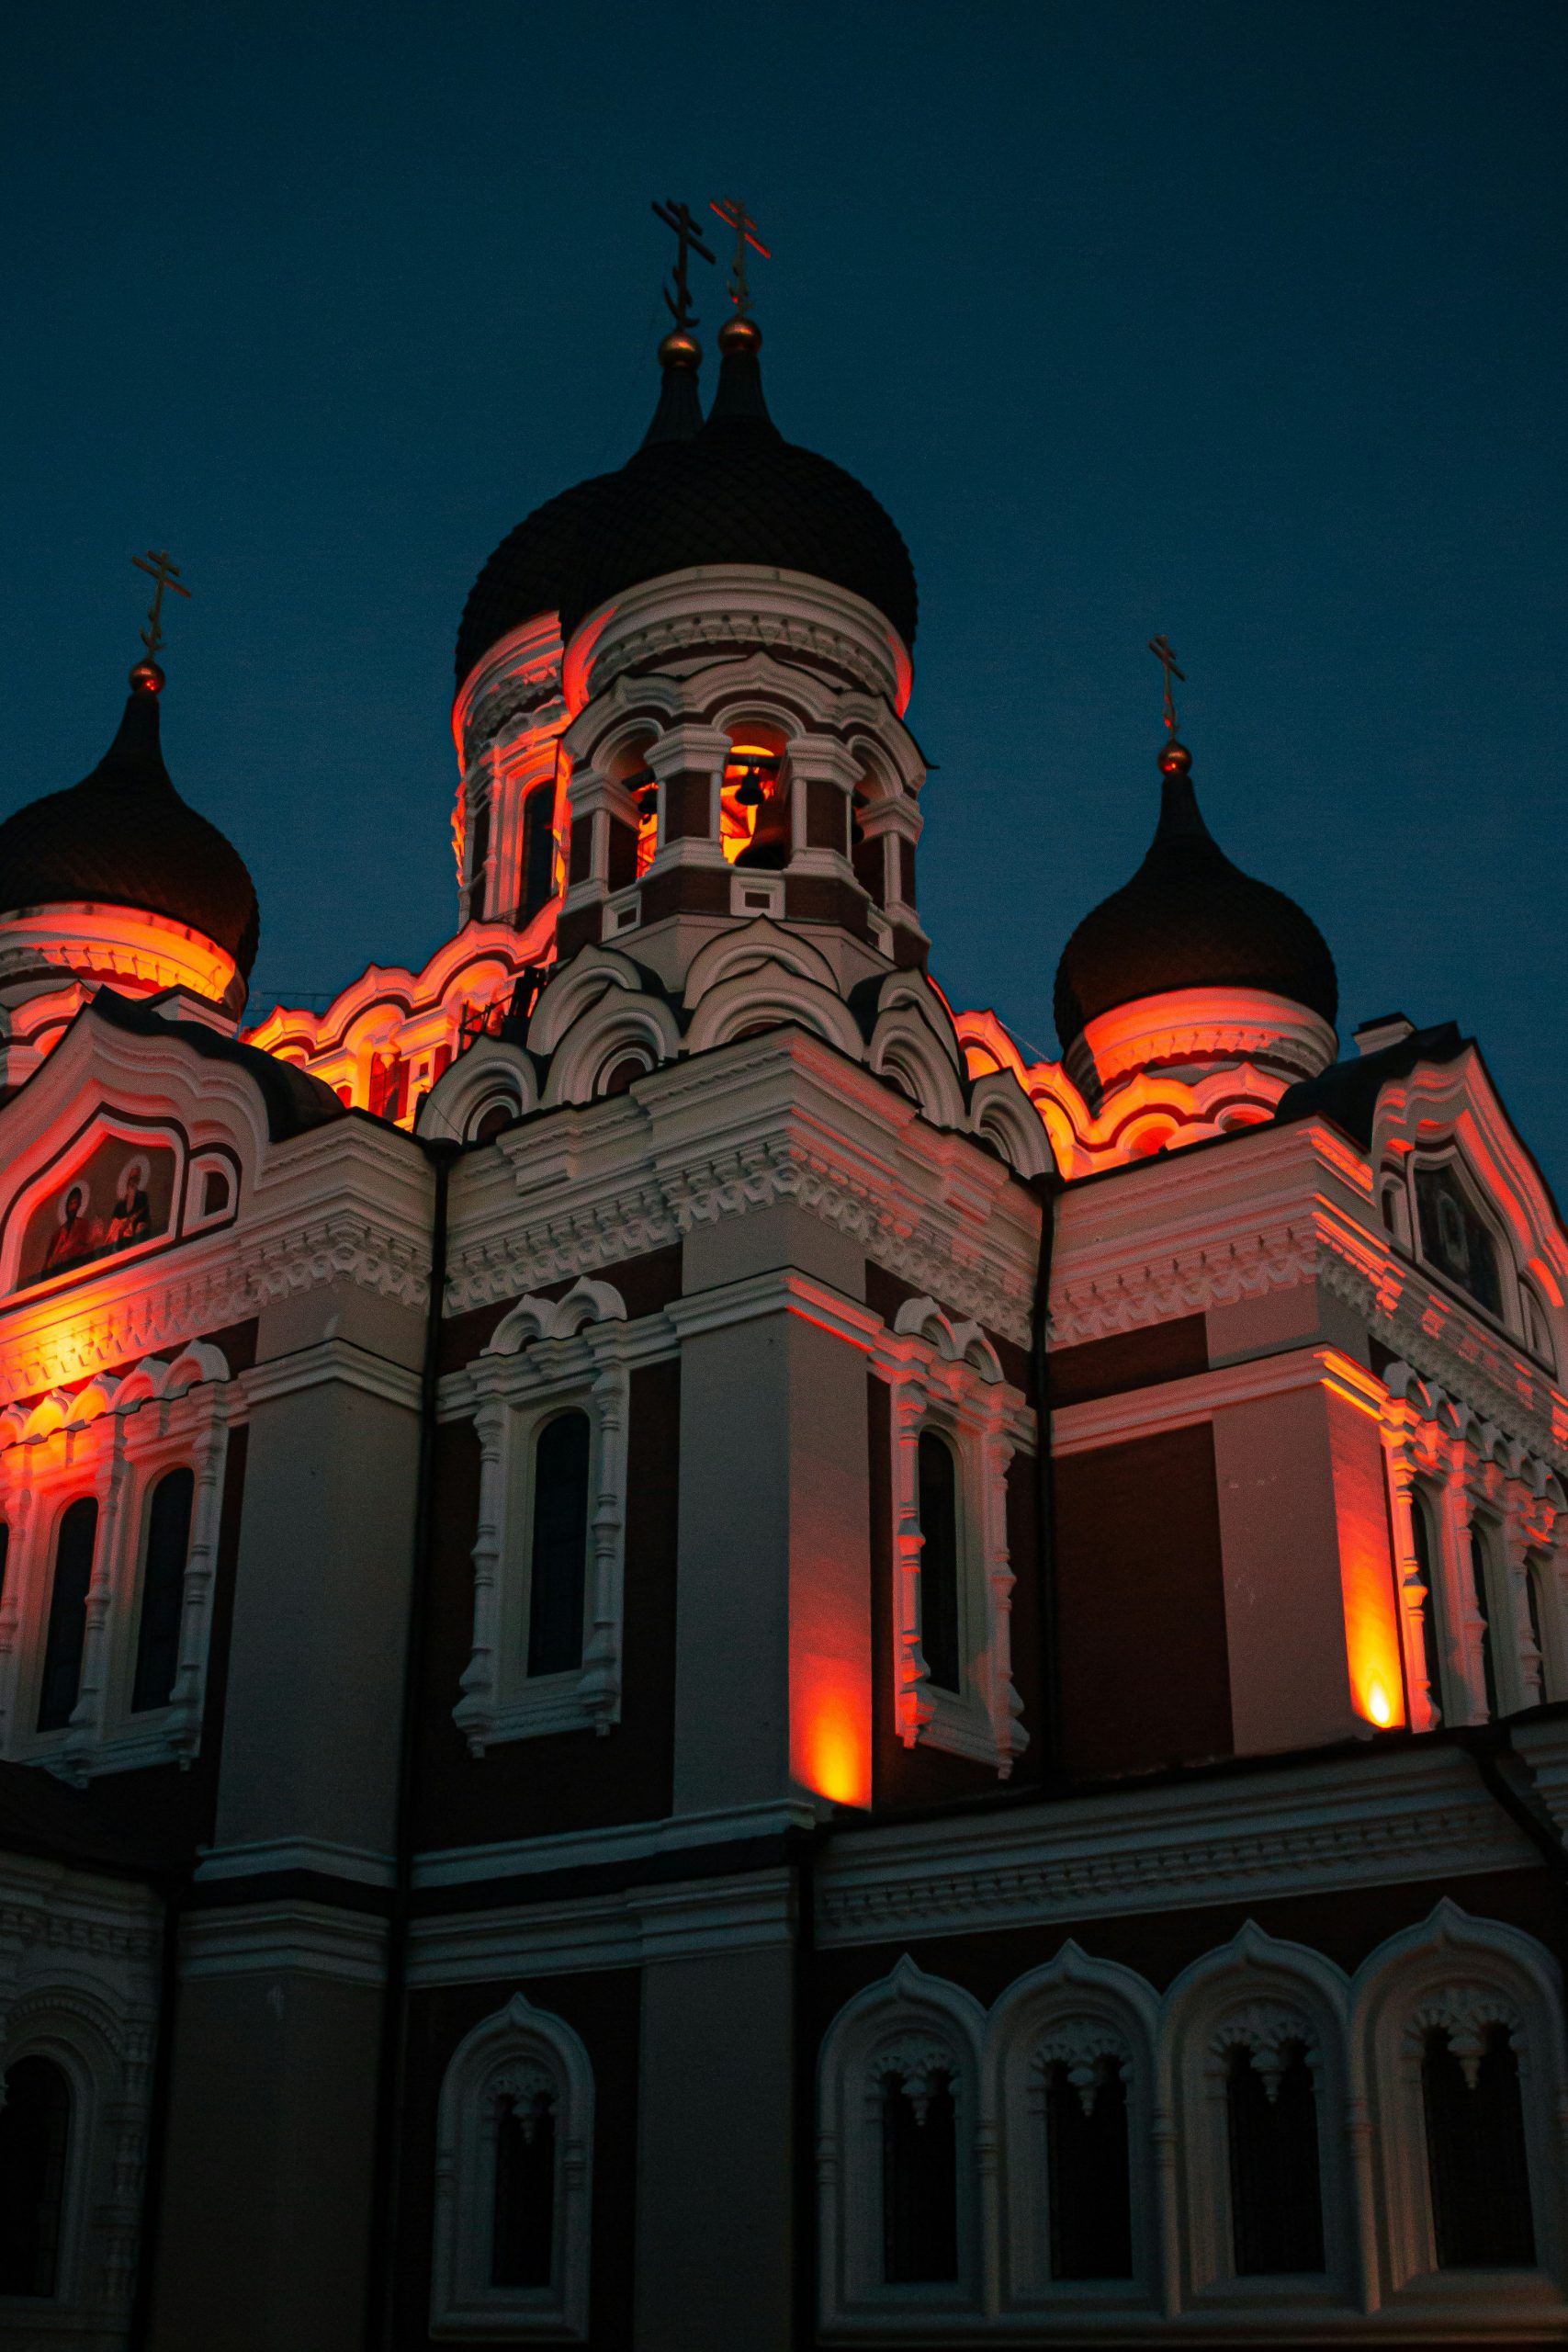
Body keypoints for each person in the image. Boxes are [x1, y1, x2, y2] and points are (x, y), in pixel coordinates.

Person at [42, 1186, 103, 1275]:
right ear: (66, 1205)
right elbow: (47, 1267)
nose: (73, 1207)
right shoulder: (57, 1234)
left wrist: (94, 1238)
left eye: (76, 1203)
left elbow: (88, 1252)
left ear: (79, 1206)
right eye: (71, 1203)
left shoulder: (83, 1225)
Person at [105, 1167, 152, 1251]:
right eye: (131, 1179)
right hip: (120, 1237)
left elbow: (144, 1216)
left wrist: (129, 1223)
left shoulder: (142, 1196)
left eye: (135, 1179)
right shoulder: (120, 1205)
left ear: (138, 1180)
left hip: (135, 1232)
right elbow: (113, 1225)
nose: (132, 1182)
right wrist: (121, 1227)